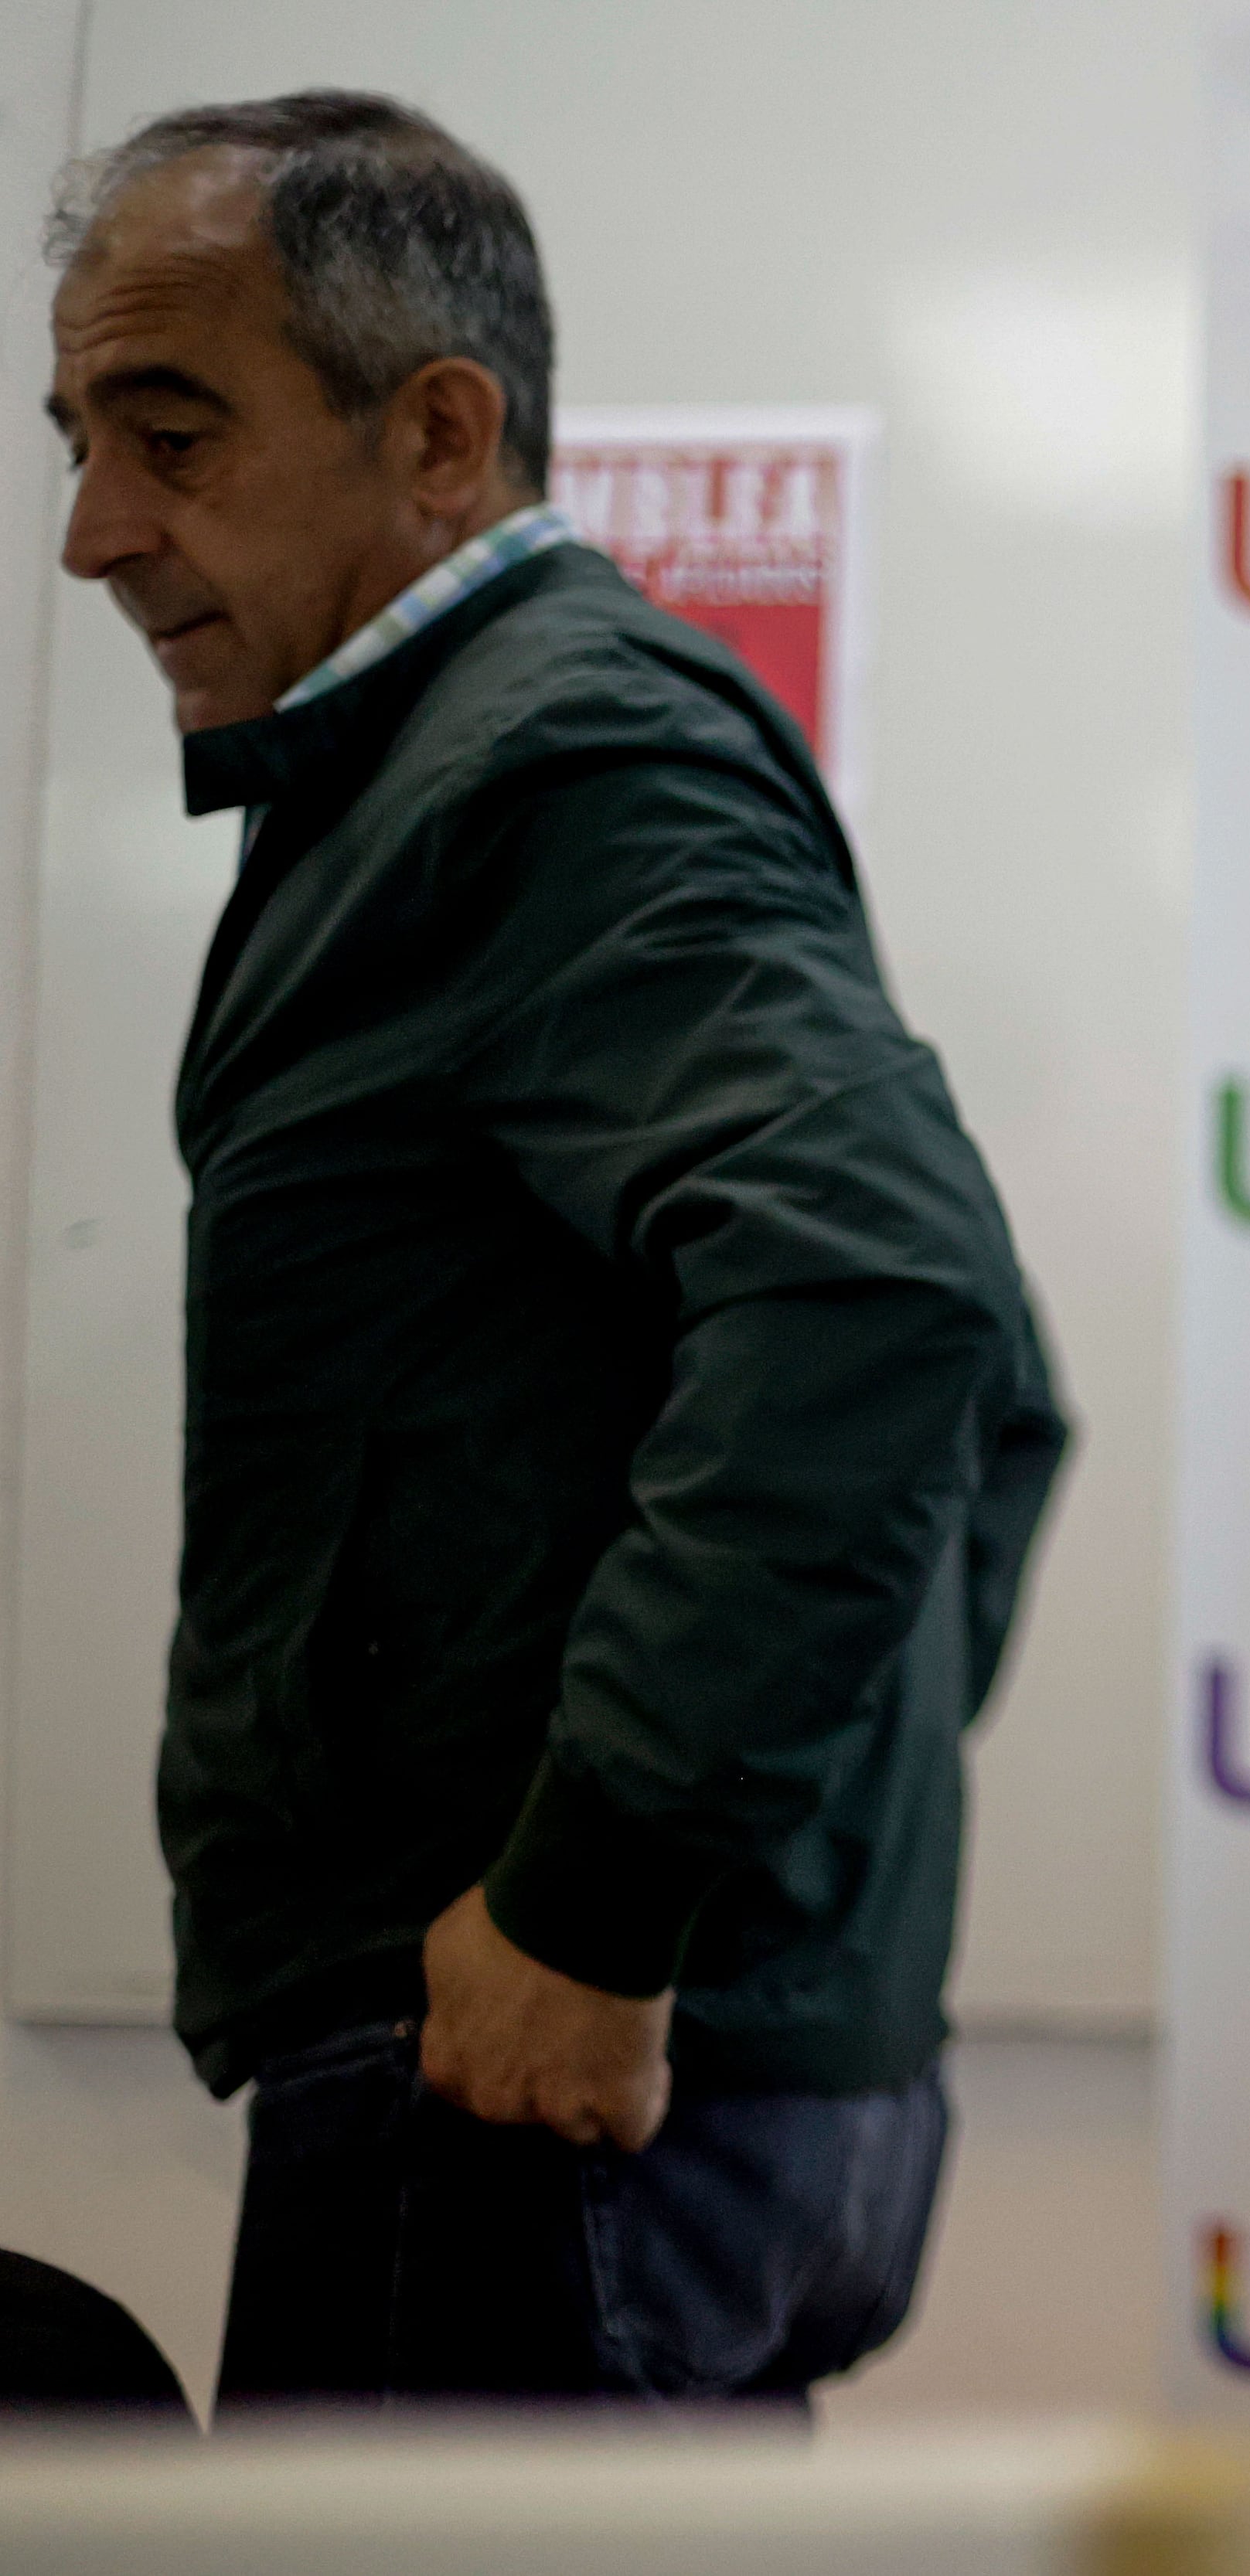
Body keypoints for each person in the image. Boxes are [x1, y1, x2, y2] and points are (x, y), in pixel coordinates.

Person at [43, 93, 1064, 2408]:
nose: (99, 527)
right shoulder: (456, 766)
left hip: (527, 2065)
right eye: (79, 437)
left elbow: (889, 1301)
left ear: (438, 429)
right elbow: (991, 1380)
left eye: (173, 434)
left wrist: (601, 1898)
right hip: (588, 2057)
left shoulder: (547, 765)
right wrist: (752, 1863)